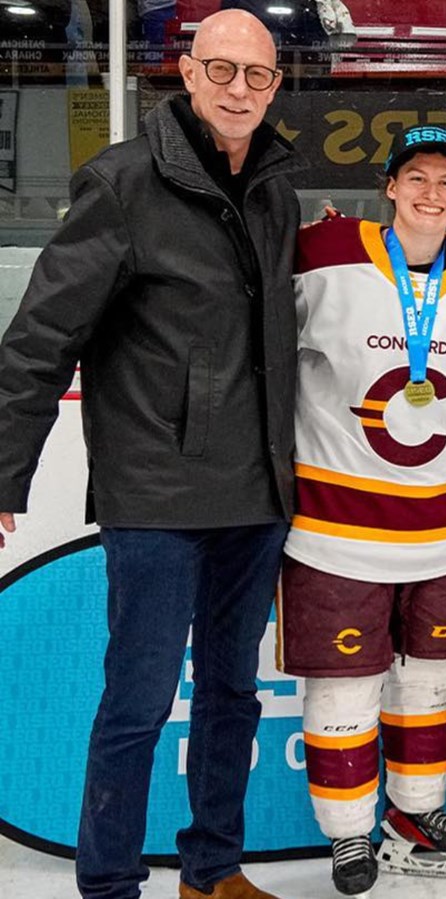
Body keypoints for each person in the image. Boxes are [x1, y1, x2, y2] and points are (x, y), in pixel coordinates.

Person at [0, 11, 301, 899]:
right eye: (223, 70)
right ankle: (110, 884)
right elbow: (37, 340)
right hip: (157, 495)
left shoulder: (276, 186)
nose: (240, 88)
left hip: (255, 489)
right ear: (186, 70)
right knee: (136, 702)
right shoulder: (123, 182)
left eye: (257, 74)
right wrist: (5, 470)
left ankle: (211, 869)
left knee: (232, 695)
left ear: (276, 85)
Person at [284, 125, 446, 896]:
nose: (431, 193)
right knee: (345, 686)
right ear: (389, 186)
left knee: (429, 684)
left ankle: (414, 816)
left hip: (444, 535)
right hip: (334, 532)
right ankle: (350, 834)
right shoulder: (325, 255)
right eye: (415, 178)